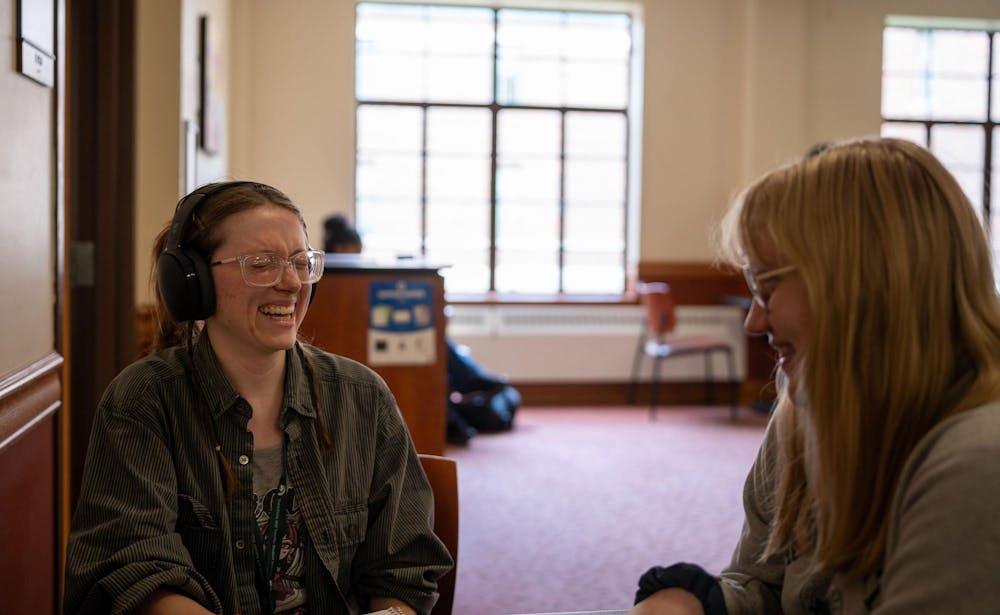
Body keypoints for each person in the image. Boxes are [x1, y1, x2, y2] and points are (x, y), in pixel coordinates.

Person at [629, 138, 1000, 614]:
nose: (754, 322)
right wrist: (698, 604)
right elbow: (768, 584)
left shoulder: (978, 464)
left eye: (768, 286)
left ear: (860, 283)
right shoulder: (805, 405)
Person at [64, 181, 452, 615]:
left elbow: (403, 569)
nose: (290, 283)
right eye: (262, 264)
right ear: (193, 282)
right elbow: (134, 570)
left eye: (300, 262)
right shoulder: (143, 402)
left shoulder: (363, 397)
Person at [321, 213, 519, 445]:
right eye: (350, 248)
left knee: (436, 346)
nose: (354, 253)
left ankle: (471, 388)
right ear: (339, 247)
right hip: (362, 344)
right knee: (439, 347)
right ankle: (475, 380)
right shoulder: (334, 280)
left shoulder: (354, 277)